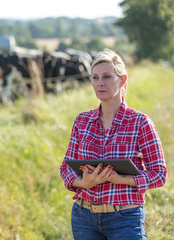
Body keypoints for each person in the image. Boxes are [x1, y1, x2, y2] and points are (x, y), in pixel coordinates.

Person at [60, 49, 167, 240]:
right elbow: (66, 168)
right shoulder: (82, 121)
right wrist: (82, 182)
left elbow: (159, 174)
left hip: (124, 217)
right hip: (84, 217)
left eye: (107, 76)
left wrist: (122, 179)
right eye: (95, 77)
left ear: (122, 80)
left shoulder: (140, 122)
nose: (100, 83)